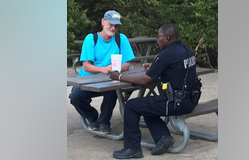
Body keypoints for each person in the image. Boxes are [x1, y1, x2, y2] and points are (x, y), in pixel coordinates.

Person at [107, 23, 201, 159]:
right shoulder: (186, 50)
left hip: (176, 103)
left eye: (159, 37)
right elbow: (176, 68)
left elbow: (145, 80)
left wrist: (119, 76)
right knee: (146, 104)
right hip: (191, 100)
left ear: (167, 38)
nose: (158, 41)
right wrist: (155, 66)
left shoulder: (166, 54)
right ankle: (163, 137)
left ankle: (132, 149)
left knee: (132, 106)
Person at [69, 10, 135, 134]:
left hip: (109, 79)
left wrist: (118, 68)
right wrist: (103, 69)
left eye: (116, 25)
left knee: (113, 90)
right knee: (75, 97)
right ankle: (92, 117)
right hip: (88, 80)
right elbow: (86, 66)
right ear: (103, 22)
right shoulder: (91, 39)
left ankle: (104, 122)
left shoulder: (121, 39)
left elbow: (127, 64)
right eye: (111, 24)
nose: (113, 27)